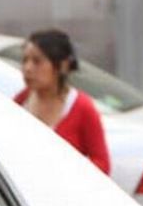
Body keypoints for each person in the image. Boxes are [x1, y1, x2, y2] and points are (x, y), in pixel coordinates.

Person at [13, 29, 111, 174]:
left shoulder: (82, 107)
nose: (27, 68)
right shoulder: (21, 101)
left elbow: (102, 162)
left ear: (62, 66)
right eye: (25, 60)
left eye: (37, 62)